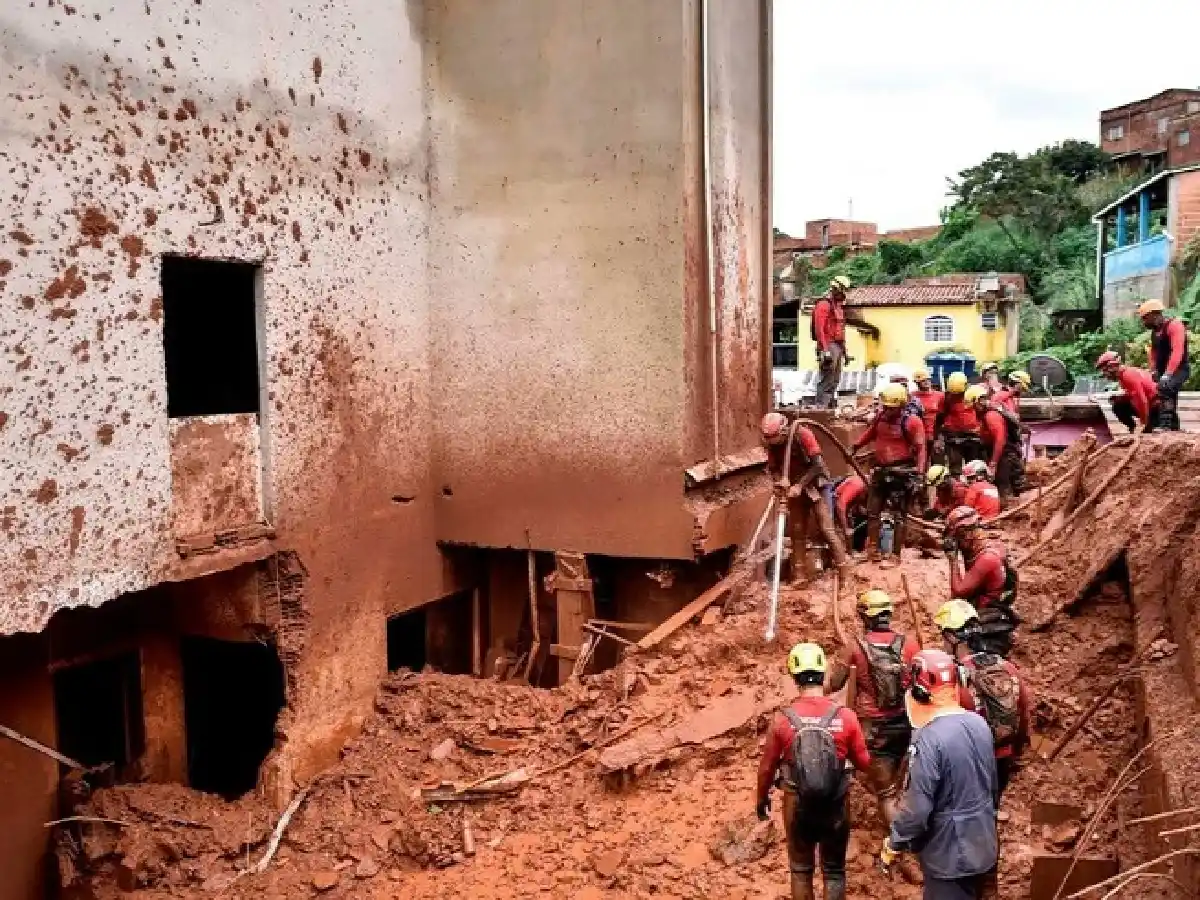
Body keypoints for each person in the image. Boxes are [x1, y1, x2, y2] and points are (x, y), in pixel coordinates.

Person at [879, 649, 999, 900]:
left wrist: (894, 842)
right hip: (984, 844)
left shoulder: (929, 740)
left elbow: (917, 811)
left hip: (950, 857)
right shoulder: (979, 724)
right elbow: (991, 787)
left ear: (920, 693)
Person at [758, 642, 871, 900]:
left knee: (800, 870)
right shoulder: (846, 717)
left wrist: (761, 798)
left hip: (797, 804)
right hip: (836, 805)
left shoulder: (783, 719)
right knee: (834, 872)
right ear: (823, 674)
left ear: (794, 677)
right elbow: (865, 763)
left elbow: (766, 768)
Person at [829, 590, 920, 826]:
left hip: (873, 727)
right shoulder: (910, 645)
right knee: (901, 779)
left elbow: (834, 684)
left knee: (886, 793)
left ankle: (899, 842)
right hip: (905, 721)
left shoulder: (855, 648)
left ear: (865, 617)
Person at [934, 601, 1032, 802]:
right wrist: (1017, 752)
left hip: (971, 762)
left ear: (952, 637)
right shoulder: (1007, 668)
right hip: (1003, 757)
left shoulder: (956, 676)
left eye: (942, 635)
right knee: (991, 810)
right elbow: (1024, 712)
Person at [761, 413, 848, 582]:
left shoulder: (803, 435)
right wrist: (780, 481)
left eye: (773, 437)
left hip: (816, 486)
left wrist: (800, 485)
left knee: (826, 529)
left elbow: (818, 466)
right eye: (767, 438)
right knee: (797, 532)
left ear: (784, 430)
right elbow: (773, 468)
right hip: (793, 489)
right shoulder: (772, 445)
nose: (770, 441)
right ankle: (799, 575)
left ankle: (844, 573)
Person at [852, 383, 927, 561]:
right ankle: (873, 551)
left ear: (901, 406)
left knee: (899, 515)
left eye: (890, 408)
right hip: (881, 470)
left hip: (901, 473)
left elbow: (921, 448)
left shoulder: (912, 422)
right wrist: (855, 446)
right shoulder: (881, 417)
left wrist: (920, 474)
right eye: (884, 406)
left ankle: (895, 554)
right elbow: (871, 433)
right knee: (873, 511)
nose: (886, 410)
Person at [943, 506, 1019, 657]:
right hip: (994, 607)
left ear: (965, 534)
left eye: (957, 538)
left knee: (951, 633)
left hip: (988, 613)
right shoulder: (987, 548)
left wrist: (952, 559)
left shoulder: (987, 558)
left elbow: (959, 591)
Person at [968, 385, 1026, 504]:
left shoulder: (991, 416)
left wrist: (993, 463)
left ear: (977, 401)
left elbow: (1000, 440)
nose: (973, 410)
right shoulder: (991, 411)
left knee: (1003, 485)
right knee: (1009, 485)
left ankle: (1010, 513)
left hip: (1005, 454)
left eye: (973, 406)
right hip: (1005, 453)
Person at [1139, 298, 1189, 431]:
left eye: (1145, 318)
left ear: (1155, 314)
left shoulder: (1175, 326)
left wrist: (1168, 374)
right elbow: (1154, 352)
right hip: (1163, 370)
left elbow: (1177, 351)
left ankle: (1165, 427)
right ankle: (1173, 427)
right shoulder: (1155, 331)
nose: (1143, 322)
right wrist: (1154, 370)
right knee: (1159, 393)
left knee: (1165, 389)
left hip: (1179, 369)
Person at [1096, 350, 1160, 433]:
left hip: (1156, 408)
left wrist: (1144, 423)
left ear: (1111, 367)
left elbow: (1142, 401)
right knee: (1118, 404)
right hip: (1151, 404)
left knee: (1148, 435)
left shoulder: (1128, 376)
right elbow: (1136, 394)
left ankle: (1149, 425)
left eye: (1104, 371)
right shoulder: (1125, 374)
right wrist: (1122, 397)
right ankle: (1133, 427)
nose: (1104, 375)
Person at [812, 276, 851, 409]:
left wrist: (845, 352)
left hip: (838, 346)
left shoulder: (838, 307)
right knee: (827, 378)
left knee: (835, 379)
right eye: (843, 291)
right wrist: (825, 349)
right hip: (828, 344)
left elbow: (841, 331)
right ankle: (820, 407)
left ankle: (828, 406)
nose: (844, 294)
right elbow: (819, 329)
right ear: (836, 289)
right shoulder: (823, 305)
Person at [935, 372, 982, 476]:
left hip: (973, 436)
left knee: (973, 467)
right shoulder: (946, 398)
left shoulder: (974, 394)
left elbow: (981, 412)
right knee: (955, 468)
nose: (956, 396)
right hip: (953, 437)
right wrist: (937, 438)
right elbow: (939, 417)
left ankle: (973, 490)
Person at [912, 369, 945, 463]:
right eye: (923, 381)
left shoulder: (939, 396)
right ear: (917, 383)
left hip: (935, 434)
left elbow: (942, 416)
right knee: (921, 462)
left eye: (927, 379)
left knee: (938, 463)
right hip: (919, 435)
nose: (926, 382)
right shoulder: (913, 397)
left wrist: (939, 436)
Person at [832, 474, 868, 552]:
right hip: (834, 501)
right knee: (838, 530)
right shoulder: (857, 485)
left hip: (843, 506)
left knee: (850, 525)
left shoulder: (862, 488)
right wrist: (845, 529)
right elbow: (840, 505)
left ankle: (849, 553)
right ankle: (841, 555)